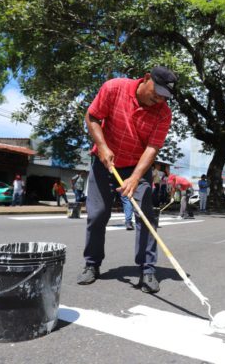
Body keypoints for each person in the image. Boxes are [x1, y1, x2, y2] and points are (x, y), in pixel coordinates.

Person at [77, 66, 177, 293]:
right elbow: (92, 116)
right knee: (98, 214)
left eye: (165, 96)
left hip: (136, 166)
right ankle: (92, 264)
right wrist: (102, 147)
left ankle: (148, 270)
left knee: (145, 214)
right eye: (157, 91)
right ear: (147, 78)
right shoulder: (114, 88)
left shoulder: (163, 114)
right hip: (104, 163)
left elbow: (152, 148)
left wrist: (134, 178)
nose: (160, 99)